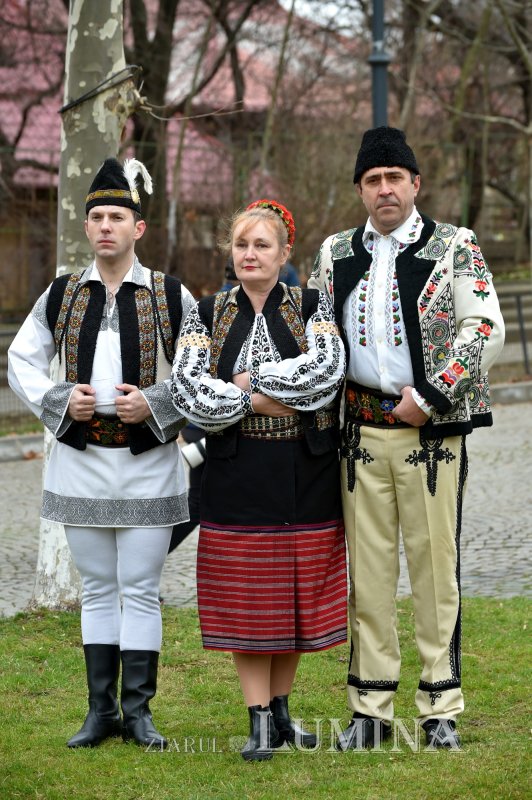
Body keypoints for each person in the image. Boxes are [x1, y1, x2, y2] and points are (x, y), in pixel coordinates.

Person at [308, 126, 505, 750]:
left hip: (432, 434)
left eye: (395, 178)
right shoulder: (334, 252)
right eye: (373, 180)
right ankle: (369, 710)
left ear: (415, 184)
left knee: (433, 569)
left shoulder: (456, 246)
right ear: (361, 190)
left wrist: (432, 394)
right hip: (359, 434)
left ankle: (439, 705)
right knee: (366, 574)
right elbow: (318, 340)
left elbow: (485, 328)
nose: (385, 189)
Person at [8, 157, 195, 750]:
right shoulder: (62, 294)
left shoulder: (169, 294)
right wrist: (62, 400)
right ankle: (100, 712)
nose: (106, 225)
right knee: (96, 588)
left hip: (148, 463)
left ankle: (139, 713)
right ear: (87, 228)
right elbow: (20, 359)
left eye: (118, 215)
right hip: (81, 460)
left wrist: (158, 403)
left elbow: (201, 368)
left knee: (139, 587)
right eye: (97, 216)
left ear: (139, 227)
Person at [171, 199, 348, 761]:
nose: (250, 254)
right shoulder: (206, 313)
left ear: (284, 252)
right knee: (248, 602)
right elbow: (188, 389)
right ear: (232, 251)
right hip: (236, 475)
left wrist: (248, 383)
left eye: (262, 245)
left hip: (307, 474)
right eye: (242, 245)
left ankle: (283, 713)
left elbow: (325, 376)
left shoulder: (314, 305)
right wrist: (263, 398)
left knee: (295, 597)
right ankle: (258, 722)